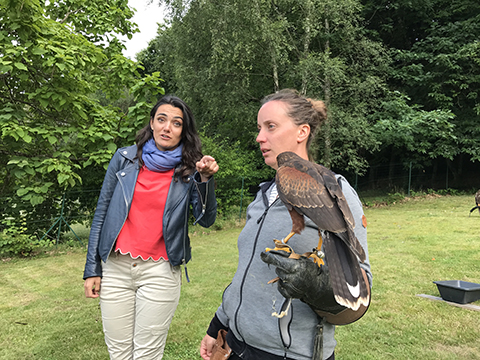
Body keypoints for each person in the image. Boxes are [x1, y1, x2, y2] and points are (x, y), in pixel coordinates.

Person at [200, 89, 371, 360]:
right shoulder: (262, 196)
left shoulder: (335, 187)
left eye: (271, 126)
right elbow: (246, 273)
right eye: (259, 128)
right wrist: (218, 325)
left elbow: (359, 295)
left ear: (302, 132)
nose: (259, 137)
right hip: (238, 347)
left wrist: (317, 288)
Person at [83, 95, 218, 360]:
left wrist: (204, 179)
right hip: (116, 268)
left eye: (176, 123)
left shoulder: (190, 169)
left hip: (160, 271)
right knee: (119, 353)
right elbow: (101, 214)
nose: (168, 127)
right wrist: (92, 269)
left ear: (183, 131)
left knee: (147, 354)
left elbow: (205, 219)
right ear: (152, 124)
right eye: (162, 119)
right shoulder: (124, 159)